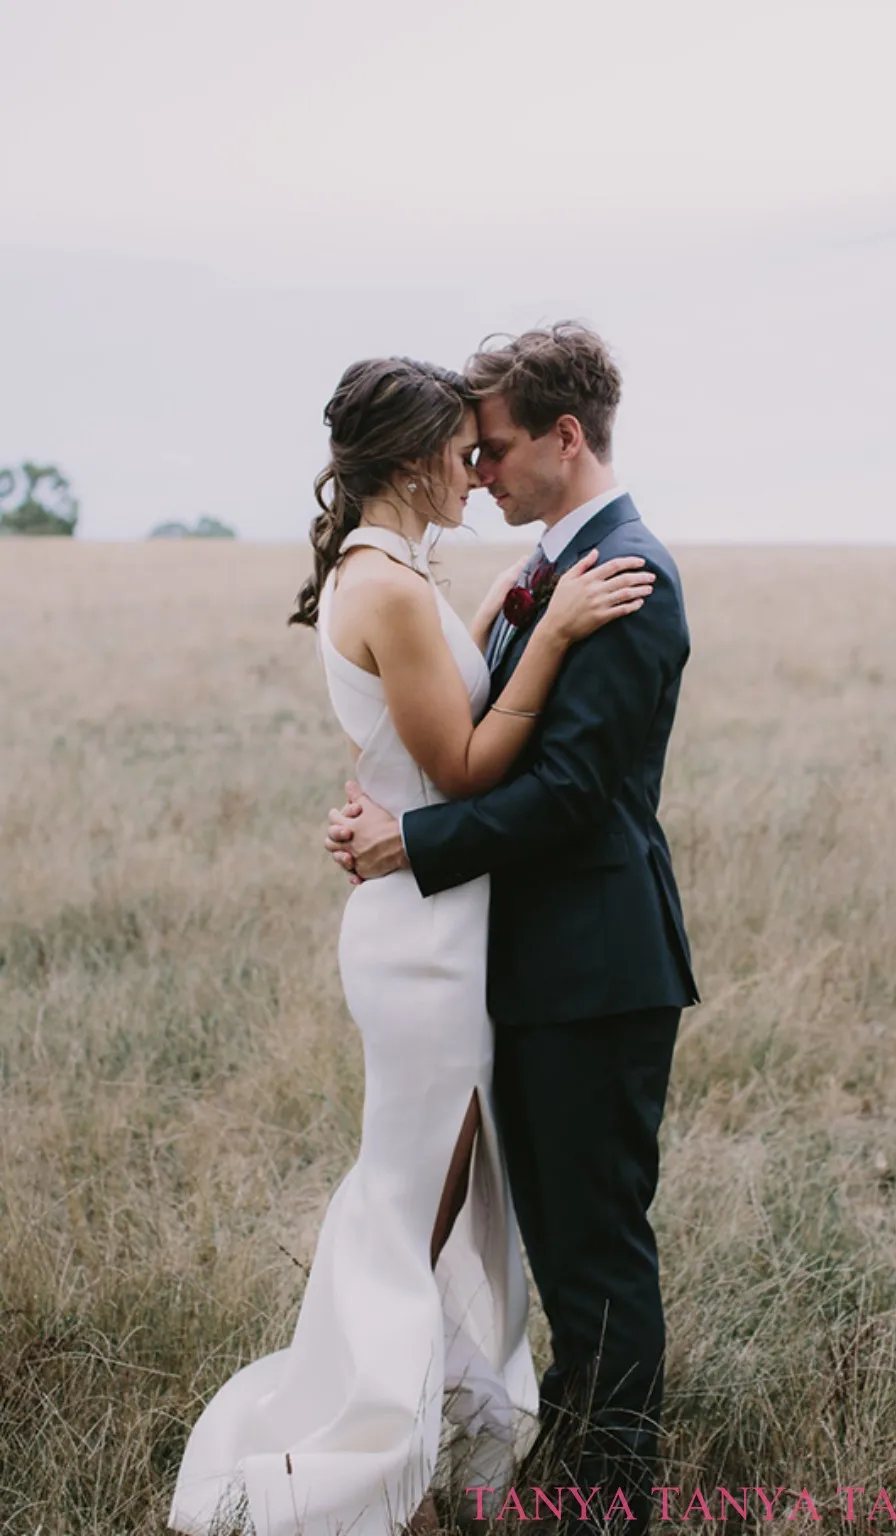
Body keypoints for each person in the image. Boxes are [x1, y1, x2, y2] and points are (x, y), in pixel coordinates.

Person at [168, 355, 655, 1536]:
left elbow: (426, 702)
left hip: (433, 922)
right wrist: (554, 637)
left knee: (429, 1196)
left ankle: (420, 1424)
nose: (477, 472)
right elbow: (461, 767)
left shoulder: (391, 569)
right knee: (412, 1206)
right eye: (462, 451)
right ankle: (362, 1462)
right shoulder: (385, 582)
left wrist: (495, 616)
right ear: (410, 455)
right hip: (426, 941)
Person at [326, 324, 700, 1534]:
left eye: (493, 451)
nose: (476, 472)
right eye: (465, 454)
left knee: (594, 1248)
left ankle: (608, 1495)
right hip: (527, 968)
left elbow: (573, 793)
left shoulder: (625, 574)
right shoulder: (553, 567)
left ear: (565, 437)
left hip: (595, 967)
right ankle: (569, 1472)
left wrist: (411, 843)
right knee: (553, 1237)